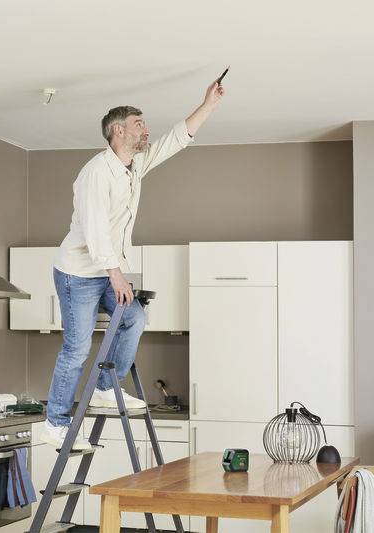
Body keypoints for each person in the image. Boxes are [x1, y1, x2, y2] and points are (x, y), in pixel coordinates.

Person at [42, 79, 225, 449]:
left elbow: (176, 139)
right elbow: (95, 231)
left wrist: (208, 104)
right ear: (118, 131)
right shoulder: (96, 173)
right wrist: (117, 276)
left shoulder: (134, 165)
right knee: (77, 349)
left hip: (106, 271)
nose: (146, 129)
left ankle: (105, 388)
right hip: (78, 274)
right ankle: (55, 423)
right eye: (139, 123)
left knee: (135, 318)